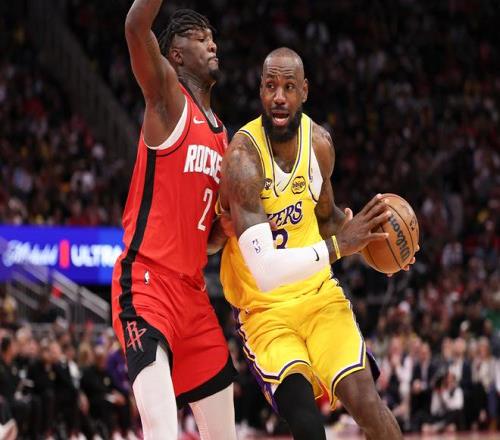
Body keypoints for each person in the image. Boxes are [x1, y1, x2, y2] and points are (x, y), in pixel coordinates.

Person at [219, 47, 405, 439]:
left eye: (289, 87)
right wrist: (340, 246)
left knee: (368, 405)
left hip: (319, 296)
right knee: (307, 424)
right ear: (260, 91)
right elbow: (266, 271)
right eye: (271, 86)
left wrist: (378, 244)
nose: (279, 97)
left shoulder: (319, 144)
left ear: (304, 91)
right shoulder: (242, 159)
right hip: (265, 310)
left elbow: (328, 220)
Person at [111, 2, 237, 439]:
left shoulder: (223, 137)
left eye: (212, 37)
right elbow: (135, 25)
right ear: (176, 55)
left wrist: (230, 227)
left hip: (193, 295)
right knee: (162, 431)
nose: (212, 44)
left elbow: (208, 240)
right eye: (200, 38)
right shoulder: (168, 98)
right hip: (146, 284)